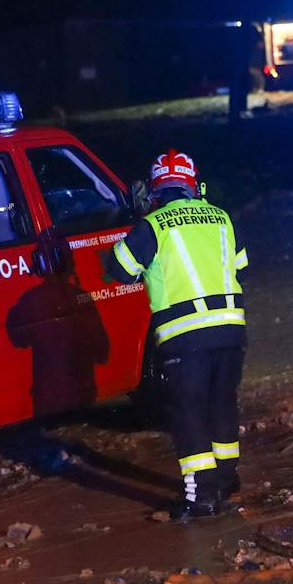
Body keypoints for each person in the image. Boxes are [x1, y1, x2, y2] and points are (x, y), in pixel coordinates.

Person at [104, 149, 249, 519]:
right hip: (231, 330)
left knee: (188, 412)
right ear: (193, 184)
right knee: (221, 402)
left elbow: (119, 269)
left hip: (186, 337)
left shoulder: (152, 225)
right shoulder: (221, 218)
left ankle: (200, 497)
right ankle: (226, 479)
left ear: (153, 191)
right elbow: (240, 266)